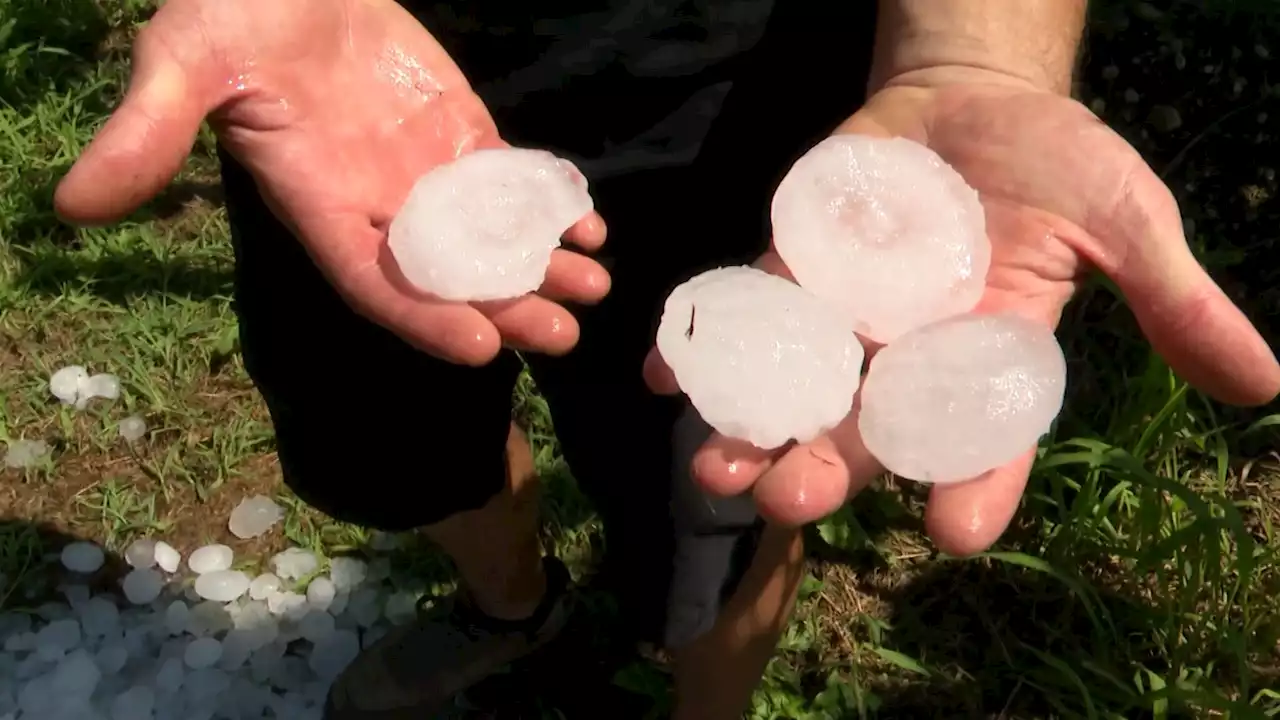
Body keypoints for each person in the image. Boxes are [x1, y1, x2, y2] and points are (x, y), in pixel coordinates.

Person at [55, 0, 1280, 718]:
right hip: (345, 100)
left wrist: (977, 50)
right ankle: (511, 612)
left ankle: (704, 708)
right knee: (390, 438)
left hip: (730, 94)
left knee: (723, 498)